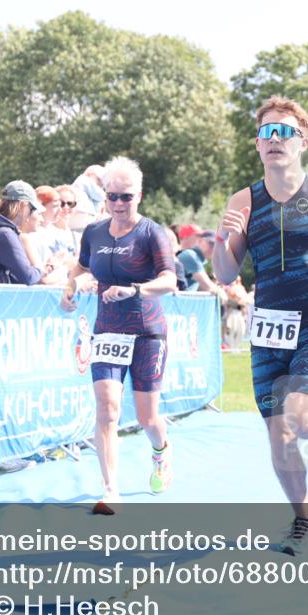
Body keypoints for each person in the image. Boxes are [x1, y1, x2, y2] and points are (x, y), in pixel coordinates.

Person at [212, 95, 308, 555]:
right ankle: (304, 522)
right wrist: (222, 238)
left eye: (285, 132)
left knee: (301, 417)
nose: (275, 139)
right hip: (266, 333)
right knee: (279, 435)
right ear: (257, 144)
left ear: (303, 142)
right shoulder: (243, 200)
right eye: (267, 132)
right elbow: (225, 272)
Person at [60, 157, 177, 515]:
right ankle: (111, 489)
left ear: (139, 195)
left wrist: (134, 290)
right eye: (112, 196)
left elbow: (169, 280)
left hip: (146, 332)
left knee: (147, 418)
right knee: (107, 408)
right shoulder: (94, 232)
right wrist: (70, 287)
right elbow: (81, 266)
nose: (118, 204)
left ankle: (161, 451)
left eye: (126, 196)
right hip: (108, 329)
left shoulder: (151, 233)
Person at [0, 181, 51, 285]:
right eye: (32, 208)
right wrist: (40, 269)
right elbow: (28, 277)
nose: (30, 214)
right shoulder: (5, 234)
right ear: (23, 205)